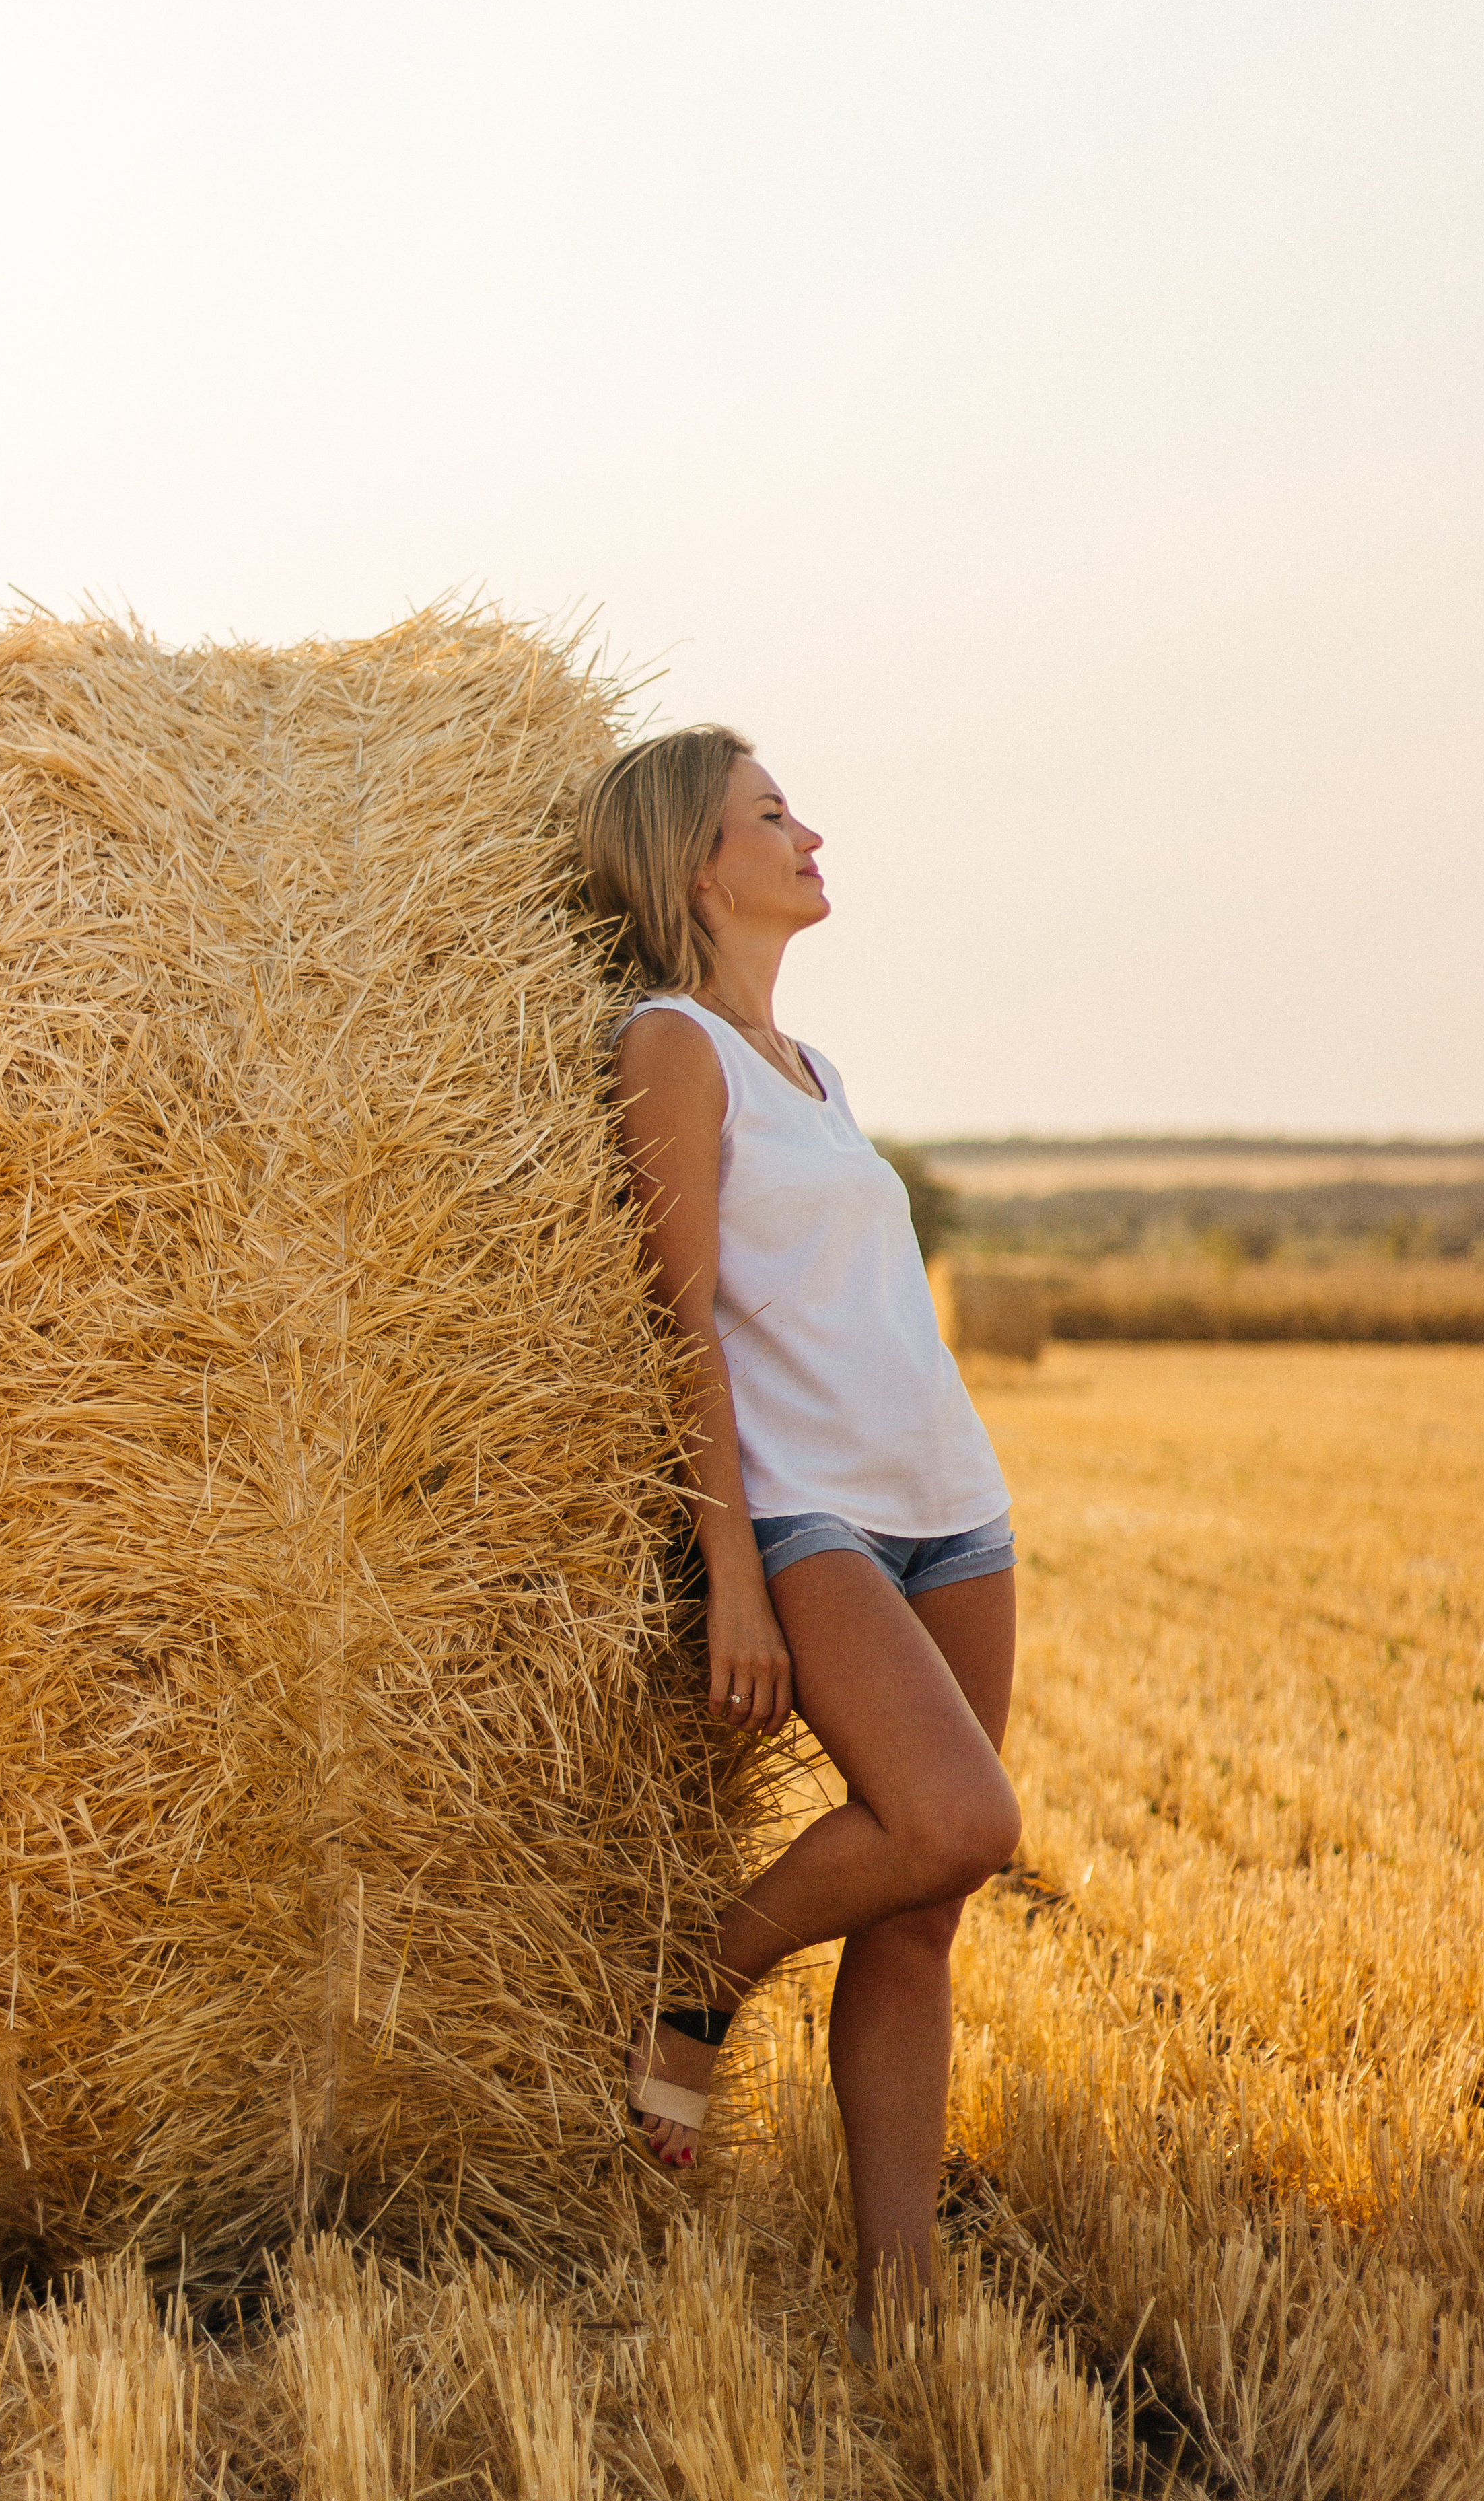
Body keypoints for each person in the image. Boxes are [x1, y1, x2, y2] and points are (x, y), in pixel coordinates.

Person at [575, 724, 1022, 2350]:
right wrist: (736, 1573)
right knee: (959, 1817)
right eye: (772, 815)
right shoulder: (667, 1043)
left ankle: (894, 2305)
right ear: (700, 865)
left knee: (922, 1905)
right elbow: (674, 1322)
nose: (808, 832)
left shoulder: (815, 1073)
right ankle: (705, 1973)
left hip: (952, 1508)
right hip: (814, 1514)